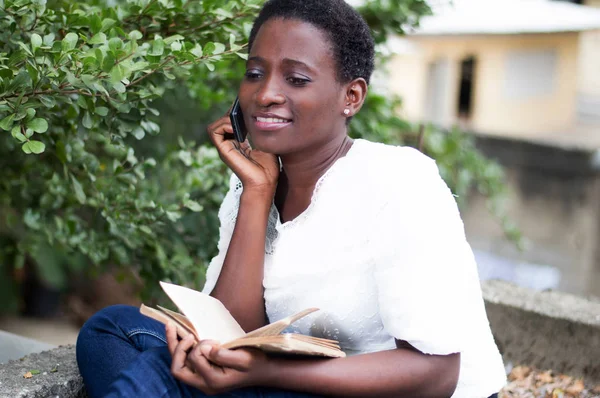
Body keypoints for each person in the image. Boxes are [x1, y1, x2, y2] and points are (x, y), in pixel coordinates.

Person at [76, 0, 507, 397]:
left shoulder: (400, 181)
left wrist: (265, 373)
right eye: (255, 73)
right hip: (290, 378)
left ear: (351, 97)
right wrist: (257, 193)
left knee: (160, 368)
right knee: (114, 329)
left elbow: (436, 373)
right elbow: (231, 331)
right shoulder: (259, 177)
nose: (265, 94)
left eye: (296, 79)